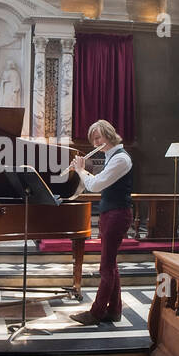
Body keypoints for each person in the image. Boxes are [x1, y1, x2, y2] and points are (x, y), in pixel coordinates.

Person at [68, 119, 132, 325]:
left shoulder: (120, 159)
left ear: (109, 135)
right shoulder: (110, 156)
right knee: (111, 265)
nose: (95, 144)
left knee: (105, 268)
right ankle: (114, 310)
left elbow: (95, 185)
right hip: (109, 213)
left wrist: (79, 169)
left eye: (98, 138)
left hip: (117, 215)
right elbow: (96, 181)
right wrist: (82, 169)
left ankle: (96, 313)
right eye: (93, 140)